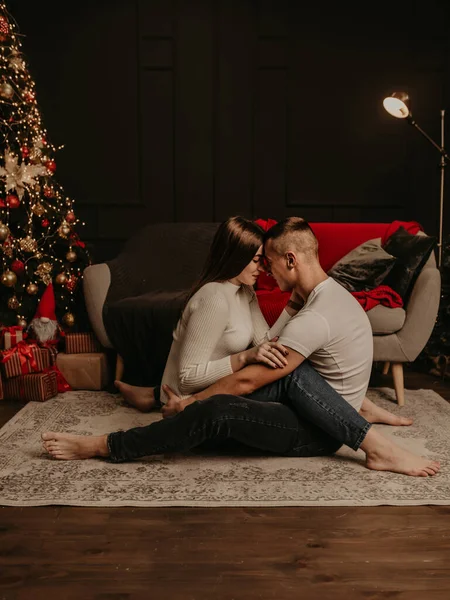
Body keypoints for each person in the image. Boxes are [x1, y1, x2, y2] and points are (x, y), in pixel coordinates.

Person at [42, 218, 441, 477]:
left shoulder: (315, 317)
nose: (264, 270)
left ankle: (107, 445)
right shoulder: (320, 298)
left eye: (268, 262)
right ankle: (157, 401)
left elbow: (250, 379)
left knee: (220, 407)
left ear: (290, 259)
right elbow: (267, 348)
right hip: (315, 410)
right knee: (283, 370)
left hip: (319, 432)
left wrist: (190, 405)